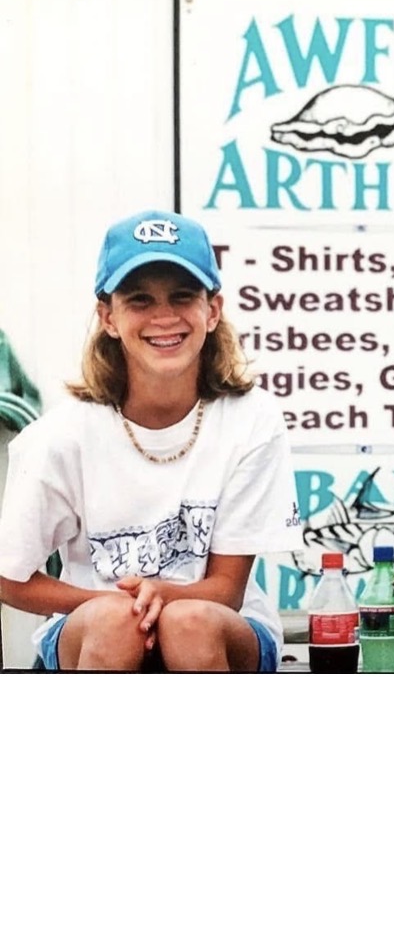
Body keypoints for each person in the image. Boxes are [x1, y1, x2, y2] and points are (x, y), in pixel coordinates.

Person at [0, 211, 300, 671]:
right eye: (139, 300)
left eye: (183, 297)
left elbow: (226, 590)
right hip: (97, 628)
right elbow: (9, 578)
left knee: (189, 622)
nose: (164, 317)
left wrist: (166, 596)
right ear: (109, 317)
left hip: (220, 624)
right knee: (113, 621)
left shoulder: (252, 419)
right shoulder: (60, 436)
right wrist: (119, 605)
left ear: (212, 311)